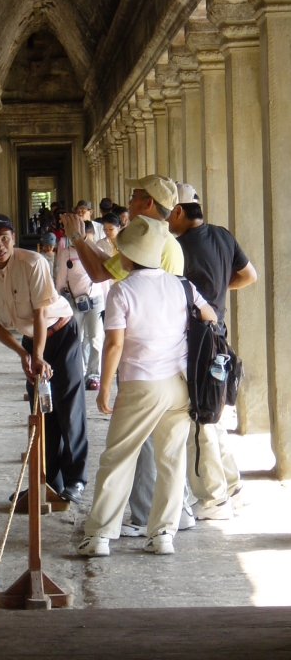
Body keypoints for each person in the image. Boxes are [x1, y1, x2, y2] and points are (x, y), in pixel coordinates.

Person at [77, 215, 216, 558]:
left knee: (118, 458)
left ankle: (99, 537)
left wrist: (105, 387)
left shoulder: (122, 290)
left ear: (128, 255)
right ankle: (163, 535)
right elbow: (210, 317)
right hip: (179, 385)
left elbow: (114, 345)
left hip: (141, 385)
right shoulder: (182, 285)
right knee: (171, 460)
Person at [62, 176, 192, 537]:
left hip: (144, 373)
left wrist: (78, 239)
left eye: (136, 196)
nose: (129, 201)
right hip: (173, 374)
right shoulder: (160, 251)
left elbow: (103, 274)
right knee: (168, 456)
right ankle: (165, 526)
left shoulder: (144, 257)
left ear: (148, 203)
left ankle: (107, 531)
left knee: (126, 454)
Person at [0, 213, 88, 504]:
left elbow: (40, 312)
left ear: (12, 238)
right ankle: (47, 481)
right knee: (42, 411)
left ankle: (75, 481)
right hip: (31, 338)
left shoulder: (33, 263)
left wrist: (37, 355)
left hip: (60, 332)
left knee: (68, 406)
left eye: (5, 238)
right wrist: (24, 353)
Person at [168, 183, 257, 520]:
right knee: (213, 415)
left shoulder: (178, 247)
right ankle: (232, 487)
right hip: (218, 335)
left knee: (199, 419)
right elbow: (250, 275)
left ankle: (212, 499)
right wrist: (217, 291)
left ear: (178, 211)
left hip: (196, 341)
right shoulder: (222, 234)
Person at [56, 221, 105, 391]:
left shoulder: (99, 252)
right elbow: (61, 279)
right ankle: (79, 370)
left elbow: (105, 280)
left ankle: (94, 375)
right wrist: (58, 301)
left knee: (95, 338)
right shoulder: (66, 254)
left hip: (96, 300)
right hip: (74, 301)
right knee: (77, 337)